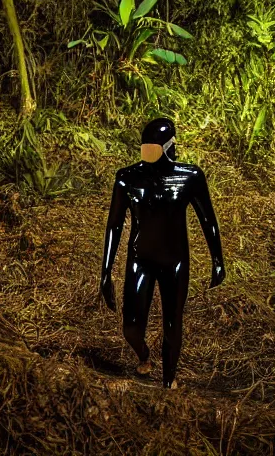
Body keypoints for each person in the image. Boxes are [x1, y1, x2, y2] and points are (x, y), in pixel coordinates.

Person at [100, 117, 225, 388]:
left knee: (172, 324)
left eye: (153, 147)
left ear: (169, 147)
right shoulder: (127, 178)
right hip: (140, 258)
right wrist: (106, 271)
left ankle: (169, 380)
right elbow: (114, 225)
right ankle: (144, 355)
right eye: (145, 147)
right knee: (131, 327)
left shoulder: (189, 177)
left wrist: (217, 259)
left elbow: (208, 220)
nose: (148, 152)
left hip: (175, 260)